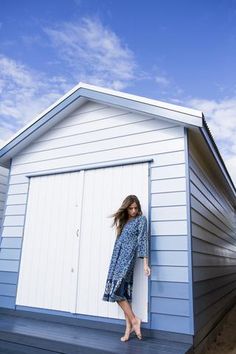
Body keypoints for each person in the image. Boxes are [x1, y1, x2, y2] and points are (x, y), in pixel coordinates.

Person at [102, 195, 151, 341]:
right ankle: (128, 328)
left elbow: (143, 241)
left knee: (117, 292)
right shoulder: (123, 222)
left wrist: (145, 264)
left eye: (136, 208)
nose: (134, 210)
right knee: (124, 294)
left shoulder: (141, 220)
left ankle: (135, 320)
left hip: (127, 259)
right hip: (116, 259)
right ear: (126, 208)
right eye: (131, 208)